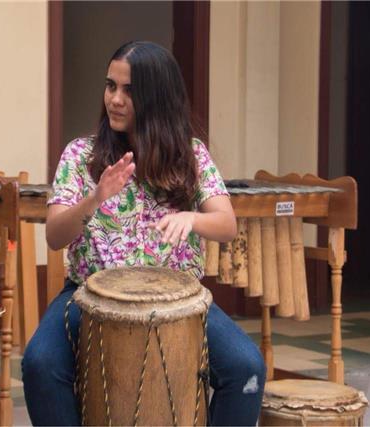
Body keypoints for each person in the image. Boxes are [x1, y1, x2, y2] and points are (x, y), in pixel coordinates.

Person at [22, 40, 266, 426]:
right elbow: (54, 236)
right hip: (89, 294)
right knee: (39, 363)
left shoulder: (191, 155)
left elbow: (226, 223)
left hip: (178, 299)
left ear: (157, 97)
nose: (115, 99)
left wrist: (192, 219)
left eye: (129, 90)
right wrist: (96, 197)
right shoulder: (80, 154)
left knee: (246, 366)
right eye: (110, 86)